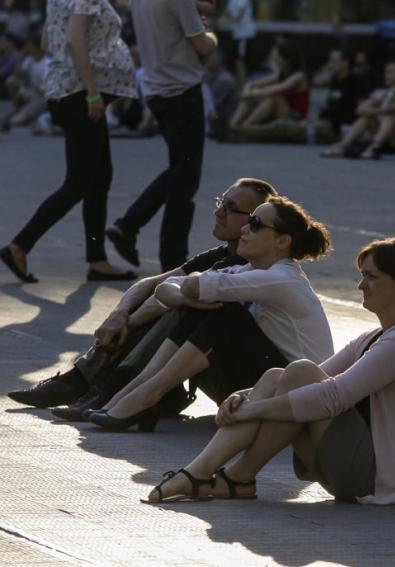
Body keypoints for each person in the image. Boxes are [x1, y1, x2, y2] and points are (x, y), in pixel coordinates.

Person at [141, 236, 395, 505]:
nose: (360, 285)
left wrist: (252, 411)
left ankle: (229, 476)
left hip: (389, 485)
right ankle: (220, 475)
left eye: (371, 277)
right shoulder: (379, 336)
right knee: (281, 375)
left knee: (300, 373)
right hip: (378, 474)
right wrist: (243, 396)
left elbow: (332, 396)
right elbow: (317, 374)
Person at [8, 179, 279, 418]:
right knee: (162, 299)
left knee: (182, 308)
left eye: (232, 209)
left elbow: (179, 294)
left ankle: (111, 385)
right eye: (222, 202)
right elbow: (151, 284)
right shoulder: (223, 253)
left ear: (255, 222)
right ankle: (89, 380)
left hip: (251, 382)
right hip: (218, 364)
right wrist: (119, 314)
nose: (219, 212)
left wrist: (132, 321)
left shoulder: (253, 264)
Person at [89, 196, 334, 431]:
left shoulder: (282, 278)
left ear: (282, 241)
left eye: (256, 224)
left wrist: (191, 291)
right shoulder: (248, 269)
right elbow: (165, 288)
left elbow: (191, 285)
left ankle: (146, 395)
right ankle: (133, 392)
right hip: (261, 381)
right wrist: (189, 297)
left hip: (294, 391)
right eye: (249, 221)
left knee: (226, 313)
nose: (246, 229)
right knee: (201, 306)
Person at [0, 0, 137, 284]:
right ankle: (19, 246)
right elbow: (75, 40)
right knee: (79, 183)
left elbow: (47, 39)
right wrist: (92, 91)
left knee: (99, 177)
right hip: (78, 95)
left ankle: (97, 261)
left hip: (67, 91)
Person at [104, 0, 218, 272]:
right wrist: (213, 36)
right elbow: (202, 45)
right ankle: (173, 258)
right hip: (181, 91)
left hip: (156, 89)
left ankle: (128, 226)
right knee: (186, 179)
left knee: (181, 168)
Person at [321, 60, 395, 159]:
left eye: (389, 72)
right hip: (384, 135)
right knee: (366, 118)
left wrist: (392, 93)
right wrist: (377, 110)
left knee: (390, 117)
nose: (386, 75)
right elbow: (359, 109)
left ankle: (374, 148)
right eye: (385, 72)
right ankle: (342, 146)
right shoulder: (381, 92)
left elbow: (386, 107)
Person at [228, 39, 308, 130]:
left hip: (295, 117)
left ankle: (245, 128)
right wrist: (248, 91)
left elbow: (277, 88)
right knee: (250, 99)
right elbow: (252, 84)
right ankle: (231, 126)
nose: (277, 59)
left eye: (280, 57)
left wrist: (250, 93)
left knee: (273, 97)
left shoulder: (299, 76)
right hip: (280, 112)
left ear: (289, 59)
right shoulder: (280, 74)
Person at [222, 0, 256, 87]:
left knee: (241, 60)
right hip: (236, 35)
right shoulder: (231, 1)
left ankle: (244, 85)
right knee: (237, 60)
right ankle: (241, 84)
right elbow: (227, 13)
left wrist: (226, 19)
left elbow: (238, 16)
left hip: (245, 35)